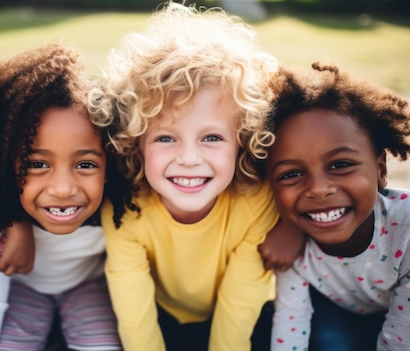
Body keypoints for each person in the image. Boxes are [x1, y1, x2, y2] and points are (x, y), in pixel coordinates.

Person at [88, 3, 284, 350]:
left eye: (212, 138)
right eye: (165, 138)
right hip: (162, 315)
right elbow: (135, 317)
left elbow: (238, 310)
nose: (190, 159)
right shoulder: (124, 209)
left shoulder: (255, 203)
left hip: (243, 316)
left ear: (242, 141)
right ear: (137, 144)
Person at [0, 42, 122, 351]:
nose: (62, 189)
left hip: (86, 287)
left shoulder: (117, 210)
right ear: (7, 161)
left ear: (110, 165)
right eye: (37, 164)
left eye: (86, 164)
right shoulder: (6, 209)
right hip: (24, 290)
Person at [262, 62, 410, 351]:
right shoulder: (289, 239)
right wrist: (289, 227)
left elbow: (409, 342)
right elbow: (292, 321)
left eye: (340, 165)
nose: (318, 189)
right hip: (336, 311)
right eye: (291, 174)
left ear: (380, 169)